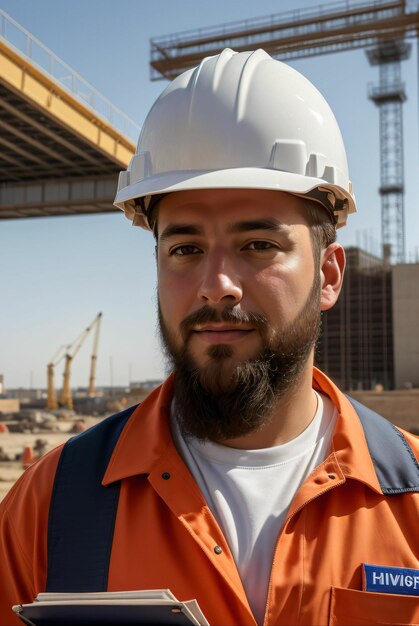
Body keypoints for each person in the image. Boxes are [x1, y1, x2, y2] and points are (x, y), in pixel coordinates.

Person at [1, 48, 418, 626]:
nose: (216, 286)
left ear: (328, 276)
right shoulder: (50, 507)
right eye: (185, 249)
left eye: (258, 246)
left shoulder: (412, 500)